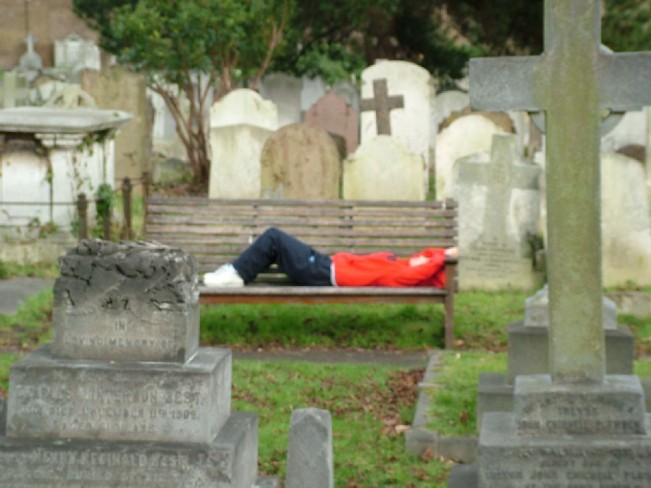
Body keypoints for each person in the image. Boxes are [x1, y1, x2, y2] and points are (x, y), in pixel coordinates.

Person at [203, 227, 458, 288]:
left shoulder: (406, 275)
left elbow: (425, 265)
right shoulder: (413, 263)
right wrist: (442, 254)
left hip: (325, 273)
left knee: (274, 238)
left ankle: (235, 274)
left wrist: (443, 258)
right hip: (327, 265)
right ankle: (236, 272)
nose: (422, 258)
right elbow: (426, 256)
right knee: (275, 242)